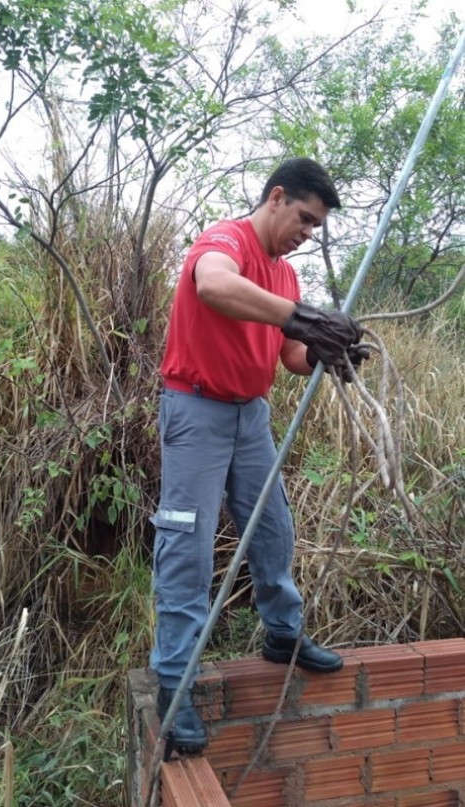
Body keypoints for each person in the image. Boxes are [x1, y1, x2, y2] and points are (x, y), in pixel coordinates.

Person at [150, 157, 368, 755]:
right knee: (186, 544)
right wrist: (301, 317)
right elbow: (212, 285)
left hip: (252, 414)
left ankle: (282, 634)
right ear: (276, 198)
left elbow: (290, 357)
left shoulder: (286, 276)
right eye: (304, 217)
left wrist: (329, 353)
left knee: (273, 528)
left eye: (317, 226)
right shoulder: (225, 241)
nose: (307, 232)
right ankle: (174, 679)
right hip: (195, 410)